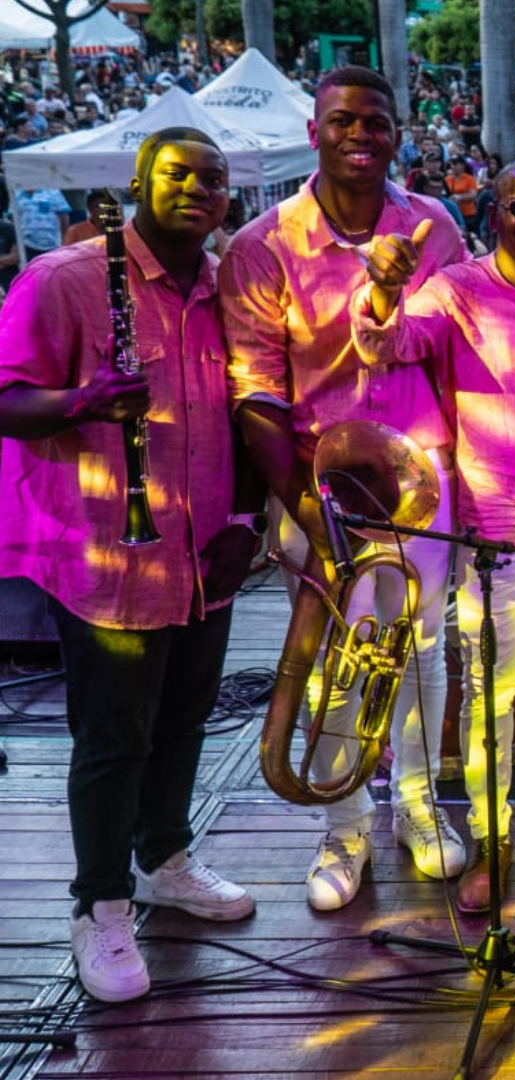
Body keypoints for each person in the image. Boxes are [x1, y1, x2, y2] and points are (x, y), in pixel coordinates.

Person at [0, 129, 259, 1002]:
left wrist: (247, 516)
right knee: (114, 738)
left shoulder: (233, 287)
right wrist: (80, 402)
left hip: (204, 548)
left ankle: (166, 859)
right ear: (141, 182)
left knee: (186, 716)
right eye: (178, 174)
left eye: (214, 178)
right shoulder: (66, 279)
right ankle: (99, 904)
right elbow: (6, 399)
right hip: (107, 552)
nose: (199, 189)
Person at [221, 66, 470, 912]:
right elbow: (254, 390)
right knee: (340, 663)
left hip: (419, 478)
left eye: (378, 121)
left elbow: (457, 346)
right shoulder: (263, 244)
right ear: (314, 128)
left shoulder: (434, 225)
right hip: (317, 485)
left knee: (418, 651)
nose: (361, 134)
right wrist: (302, 508)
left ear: (398, 131)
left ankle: (416, 804)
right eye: (343, 121)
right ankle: (344, 823)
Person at [351, 159, 515, 908]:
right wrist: (381, 286)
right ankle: (493, 831)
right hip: (496, 525)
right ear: (492, 214)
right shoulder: (457, 289)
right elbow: (386, 345)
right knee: (491, 688)